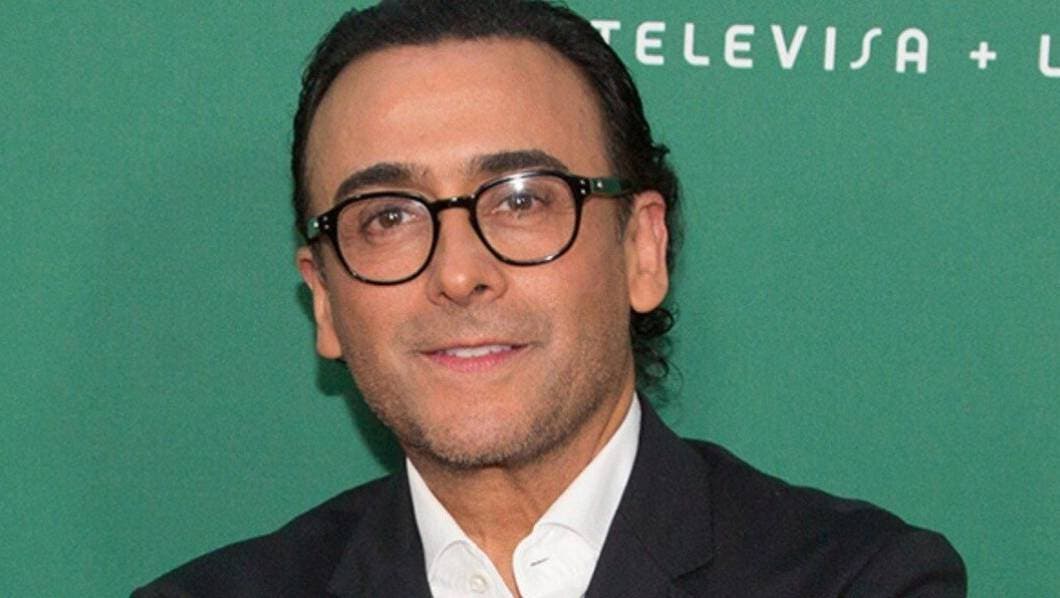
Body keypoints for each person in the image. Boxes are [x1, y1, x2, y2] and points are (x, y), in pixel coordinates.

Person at [134, 1, 966, 596]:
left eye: (522, 200)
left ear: (642, 250)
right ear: (324, 300)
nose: (458, 273)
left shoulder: (859, 580)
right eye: (387, 217)